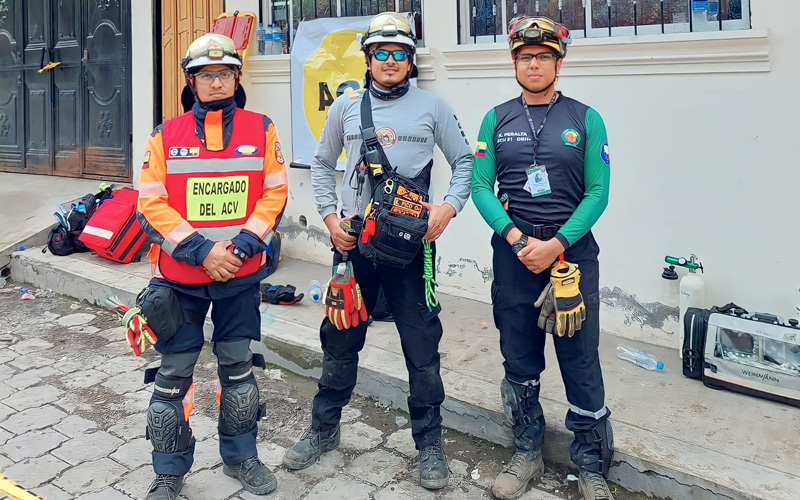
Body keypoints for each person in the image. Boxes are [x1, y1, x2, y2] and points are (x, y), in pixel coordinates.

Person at [281, 12, 473, 490]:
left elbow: (466, 161)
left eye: (399, 53)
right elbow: (321, 163)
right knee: (339, 339)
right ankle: (323, 429)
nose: (390, 60)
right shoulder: (347, 106)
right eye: (381, 52)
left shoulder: (433, 106)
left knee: (422, 349)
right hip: (353, 246)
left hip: (411, 250)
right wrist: (330, 219)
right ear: (368, 58)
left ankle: (429, 445)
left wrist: (448, 208)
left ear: (411, 60)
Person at [137, 33, 288, 499]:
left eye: (224, 74)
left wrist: (239, 248)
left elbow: (275, 193)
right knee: (172, 377)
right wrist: (203, 251)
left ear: (237, 78)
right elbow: (150, 204)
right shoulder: (165, 135)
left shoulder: (262, 128)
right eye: (207, 75)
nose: (216, 82)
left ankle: (241, 458)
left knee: (239, 371)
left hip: (239, 275)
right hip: (180, 279)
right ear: (192, 81)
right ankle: (169, 473)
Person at [471, 16, 614, 500]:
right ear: (514, 62)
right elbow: (480, 187)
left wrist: (557, 244)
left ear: (559, 63)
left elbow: (598, 192)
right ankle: (526, 451)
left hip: (571, 258)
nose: (534, 64)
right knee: (519, 356)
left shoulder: (586, 119)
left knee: (580, 358)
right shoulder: (496, 119)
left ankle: (591, 465)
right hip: (515, 257)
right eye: (526, 57)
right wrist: (516, 240)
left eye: (544, 57)